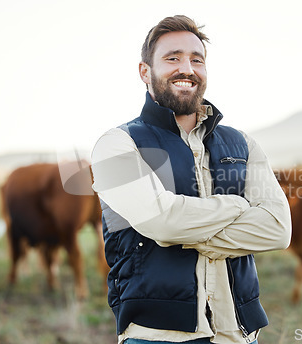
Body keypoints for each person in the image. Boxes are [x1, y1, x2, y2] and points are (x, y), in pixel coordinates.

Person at [91, 15, 291, 344]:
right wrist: (237, 206)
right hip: (156, 335)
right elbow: (164, 222)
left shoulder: (243, 143)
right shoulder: (115, 145)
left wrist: (181, 231)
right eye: (173, 58)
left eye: (196, 60)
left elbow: (278, 229)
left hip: (239, 334)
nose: (187, 68)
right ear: (145, 71)